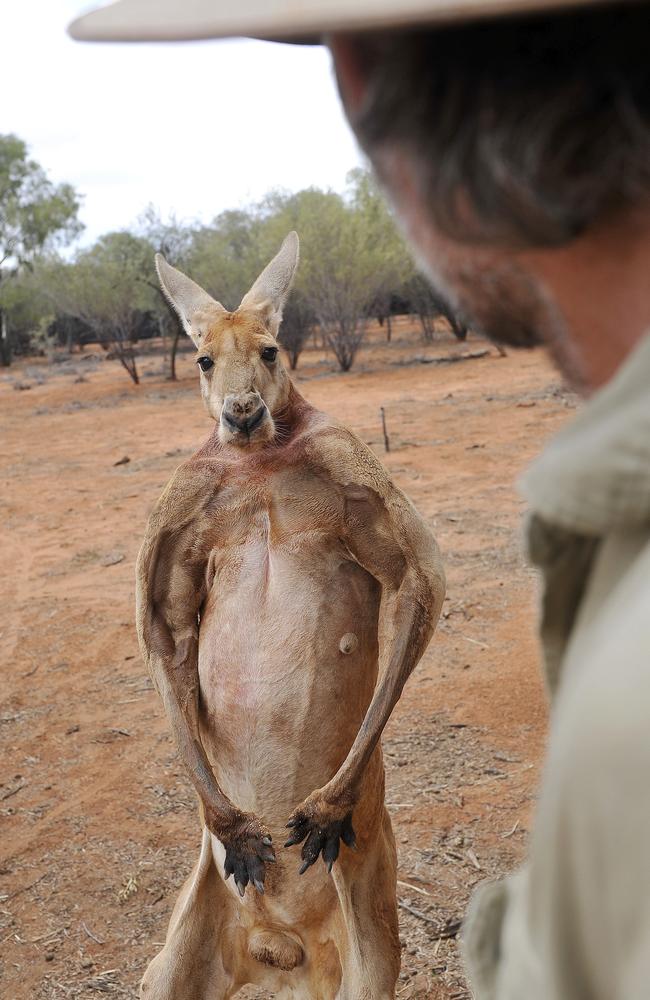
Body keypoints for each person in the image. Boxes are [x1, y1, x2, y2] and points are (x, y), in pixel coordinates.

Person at [70, 2, 650, 997]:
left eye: (258, 359)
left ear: (353, 72)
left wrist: (346, 783)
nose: (237, 394)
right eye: (213, 366)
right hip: (231, 847)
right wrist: (211, 802)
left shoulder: (341, 473)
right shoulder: (196, 492)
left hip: (336, 837)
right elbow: (162, 644)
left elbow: (420, 583)